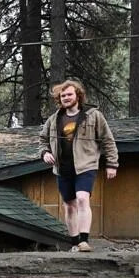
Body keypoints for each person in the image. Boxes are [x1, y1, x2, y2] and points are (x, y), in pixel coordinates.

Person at [39, 80, 118, 252]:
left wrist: (112, 163)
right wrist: (45, 153)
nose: (66, 98)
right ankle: (74, 242)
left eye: (69, 94)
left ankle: (84, 240)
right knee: (69, 205)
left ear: (78, 96)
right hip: (62, 168)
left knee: (82, 198)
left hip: (86, 165)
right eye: (63, 95)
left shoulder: (93, 115)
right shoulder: (54, 119)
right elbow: (42, 140)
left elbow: (108, 140)